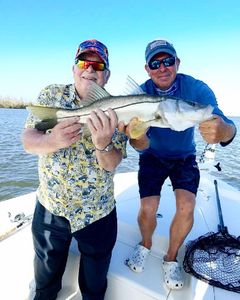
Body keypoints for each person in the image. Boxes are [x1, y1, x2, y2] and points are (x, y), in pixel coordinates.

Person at [124, 39, 237, 290]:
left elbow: (227, 126)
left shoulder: (195, 89)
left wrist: (224, 131)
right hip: (152, 155)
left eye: (168, 61)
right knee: (147, 208)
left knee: (187, 207)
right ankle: (145, 244)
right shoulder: (137, 94)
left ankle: (171, 257)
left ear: (177, 63)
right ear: (147, 68)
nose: (162, 67)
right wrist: (137, 137)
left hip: (184, 157)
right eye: (156, 63)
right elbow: (137, 145)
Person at [22, 39, 128, 300]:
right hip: (51, 209)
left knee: (94, 286)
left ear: (107, 74)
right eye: (84, 62)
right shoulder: (52, 95)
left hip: (98, 212)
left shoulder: (122, 107)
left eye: (98, 64)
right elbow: (27, 141)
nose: (89, 69)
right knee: (44, 284)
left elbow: (113, 163)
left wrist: (103, 144)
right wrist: (51, 140)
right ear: (74, 68)